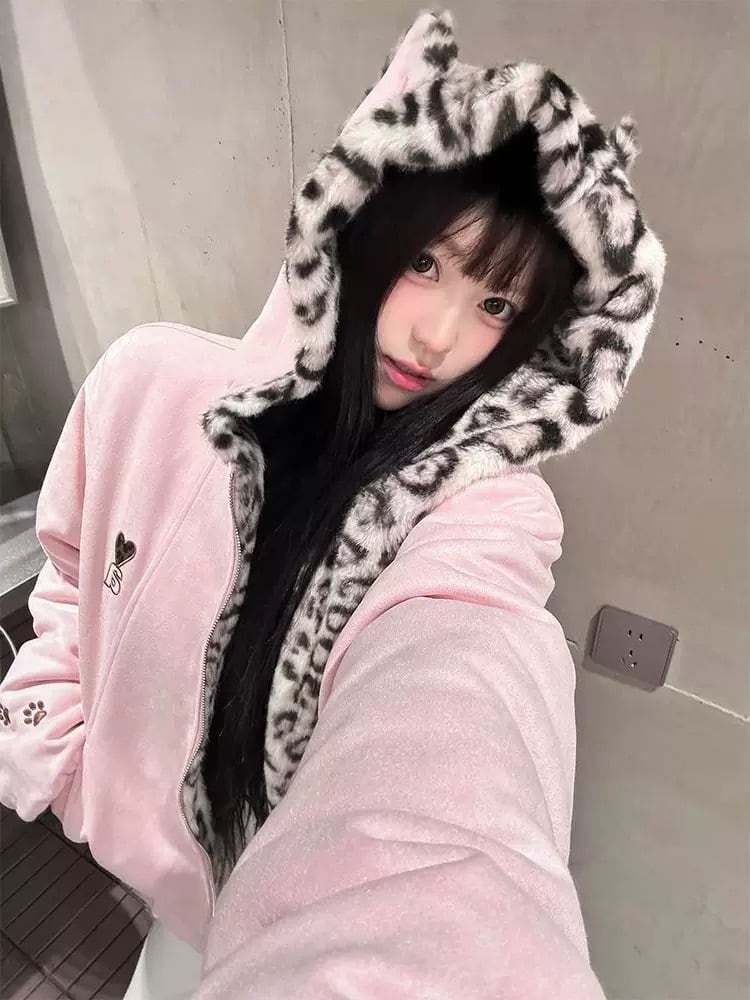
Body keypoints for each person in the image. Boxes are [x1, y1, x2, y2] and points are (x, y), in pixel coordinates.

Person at [0, 10, 665, 999]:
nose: (437, 337)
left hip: (269, 929)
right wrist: (53, 754)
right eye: (422, 262)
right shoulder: (148, 383)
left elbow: (460, 706)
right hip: (152, 890)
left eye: (496, 305)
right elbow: (69, 572)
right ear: (352, 229)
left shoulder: (484, 515)